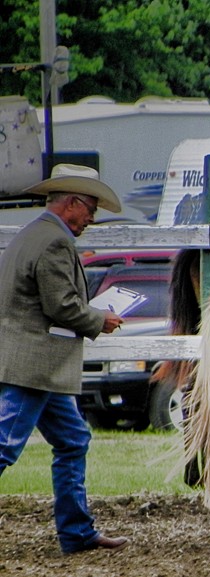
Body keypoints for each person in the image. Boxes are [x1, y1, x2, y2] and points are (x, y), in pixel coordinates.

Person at [0, 164, 129, 554]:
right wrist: (100, 318)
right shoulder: (53, 242)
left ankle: (76, 533)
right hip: (34, 365)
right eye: (90, 207)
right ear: (71, 202)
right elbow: (62, 306)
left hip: (38, 363)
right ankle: (76, 532)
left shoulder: (33, 233)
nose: (92, 217)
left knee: (73, 439)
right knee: (4, 446)